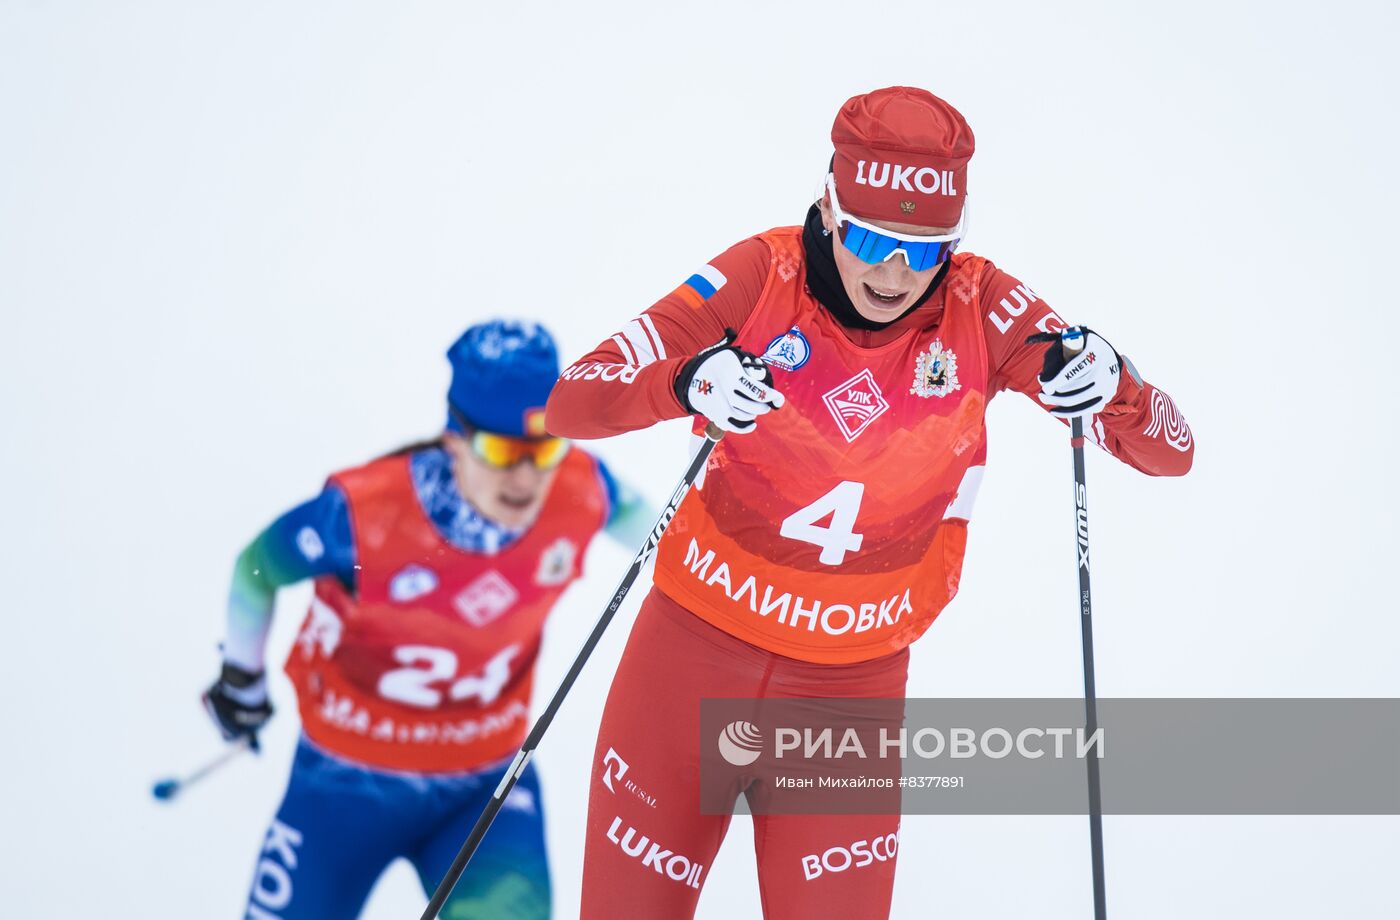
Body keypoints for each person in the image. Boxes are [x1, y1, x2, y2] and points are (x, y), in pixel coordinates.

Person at [545, 86, 1195, 919]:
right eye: (869, 239)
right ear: (828, 205)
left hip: (847, 695)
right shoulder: (758, 276)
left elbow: (1169, 453)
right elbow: (571, 398)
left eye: (924, 252)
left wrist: (1117, 383)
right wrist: (684, 380)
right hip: (686, 663)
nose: (893, 273)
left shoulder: (985, 308)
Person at [202, 319, 652, 920]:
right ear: (455, 438)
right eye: (501, 451)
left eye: (544, 447)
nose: (526, 477)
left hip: (484, 786)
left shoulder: (585, 489)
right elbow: (258, 566)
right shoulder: (365, 516)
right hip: (343, 784)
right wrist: (241, 679)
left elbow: (680, 544)